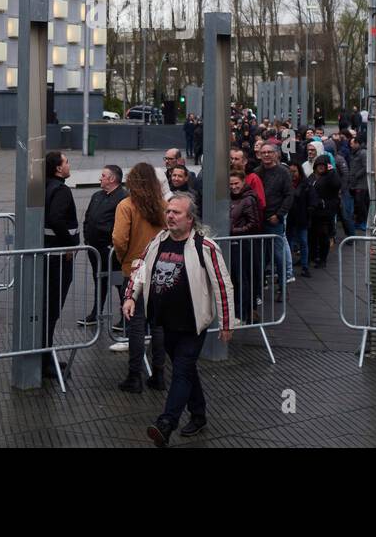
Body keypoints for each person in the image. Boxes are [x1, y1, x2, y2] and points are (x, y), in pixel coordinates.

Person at [123, 193, 234, 446]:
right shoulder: (158, 241)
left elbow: (223, 284)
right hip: (164, 322)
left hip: (193, 324)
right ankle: (199, 414)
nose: (170, 216)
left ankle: (166, 423)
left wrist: (227, 322)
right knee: (186, 370)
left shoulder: (204, 246)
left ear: (190, 218)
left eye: (176, 212)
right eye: (168, 211)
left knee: (182, 370)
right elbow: (140, 268)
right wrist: (130, 297)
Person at [112, 162, 167, 390]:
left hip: (134, 268)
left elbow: (119, 238)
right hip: (160, 269)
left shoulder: (126, 205)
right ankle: (159, 375)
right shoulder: (163, 206)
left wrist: (124, 258)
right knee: (157, 324)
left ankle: (134, 376)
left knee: (135, 323)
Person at [43, 151, 80, 379]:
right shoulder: (62, 191)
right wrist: (68, 245)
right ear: (58, 169)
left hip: (49, 255)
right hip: (58, 258)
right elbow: (56, 219)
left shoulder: (46, 187)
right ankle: (46, 361)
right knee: (52, 310)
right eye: (66, 162)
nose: (69, 165)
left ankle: (45, 356)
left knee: (47, 310)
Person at [79, 164, 128, 327]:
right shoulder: (97, 195)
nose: (100, 178)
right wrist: (87, 238)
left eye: (103, 175)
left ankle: (125, 317)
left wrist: (112, 243)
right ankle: (96, 313)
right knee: (99, 280)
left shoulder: (123, 197)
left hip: (112, 250)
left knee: (119, 283)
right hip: (95, 249)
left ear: (112, 179)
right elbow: (88, 218)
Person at [255, 142, 294, 291]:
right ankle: (259, 285)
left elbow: (289, 195)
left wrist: (279, 215)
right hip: (259, 219)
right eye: (263, 152)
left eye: (269, 152)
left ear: (276, 154)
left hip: (274, 220)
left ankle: (283, 287)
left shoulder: (283, 172)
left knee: (278, 255)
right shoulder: (256, 172)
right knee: (260, 255)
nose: (266, 155)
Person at [228, 170, 263, 320]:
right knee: (235, 279)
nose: (234, 187)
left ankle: (242, 314)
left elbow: (254, 224)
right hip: (234, 244)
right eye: (230, 184)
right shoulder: (230, 198)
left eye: (236, 183)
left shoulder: (248, 200)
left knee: (243, 279)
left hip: (243, 245)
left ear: (243, 182)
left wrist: (233, 231)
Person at [309, 153, 342, 269]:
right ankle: (312, 256)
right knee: (312, 236)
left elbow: (337, 184)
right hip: (313, 212)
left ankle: (323, 259)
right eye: (319, 165)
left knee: (323, 236)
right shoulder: (313, 176)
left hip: (325, 213)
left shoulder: (331, 176)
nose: (321, 167)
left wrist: (332, 171)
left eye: (323, 165)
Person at [286, 162, 312, 279]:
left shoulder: (305, 184)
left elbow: (310, 200)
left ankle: (305, 266)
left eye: (294, 172)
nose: (292, 174)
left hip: (302, 217)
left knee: (303, 242)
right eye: (290, 172)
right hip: (290, 217)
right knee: (289, 242)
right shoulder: (286, 184)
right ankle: (289, 267)